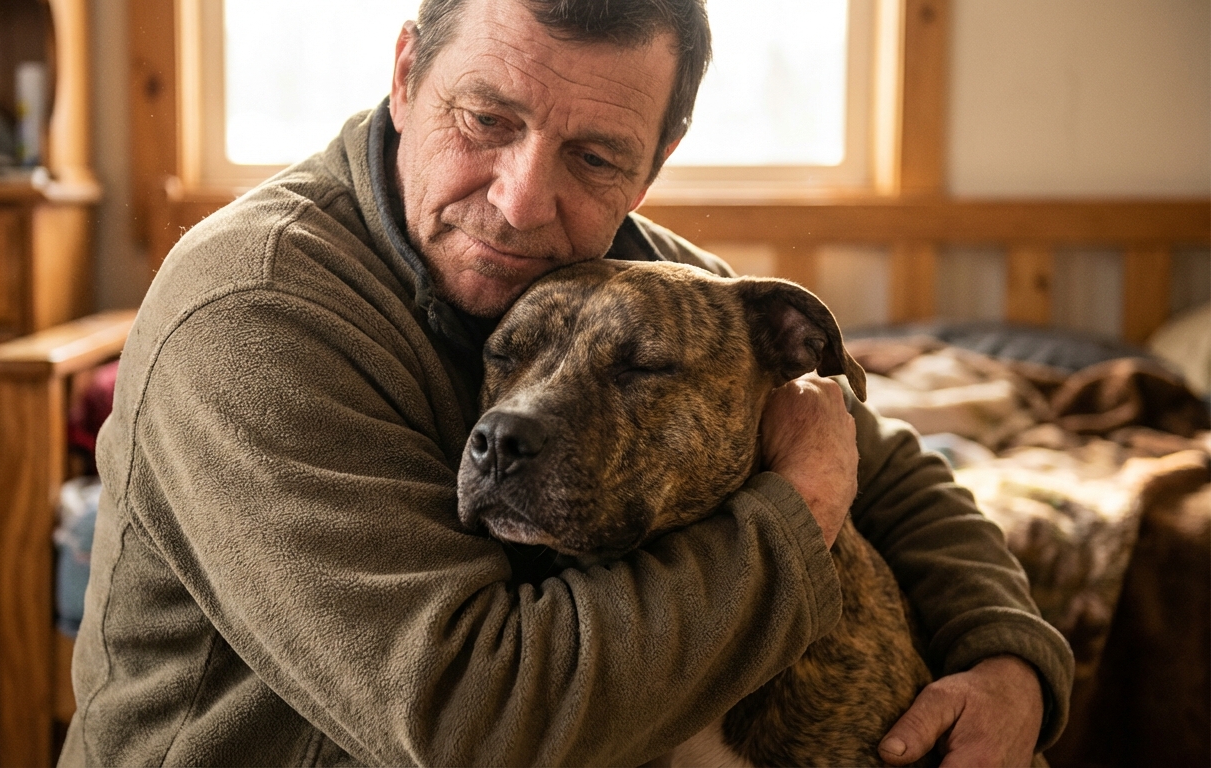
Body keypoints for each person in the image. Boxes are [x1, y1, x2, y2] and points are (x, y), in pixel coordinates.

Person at [59, 0, 1073, 765]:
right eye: (485, 119)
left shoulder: (635, 271)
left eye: (592, 156)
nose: (521, 200)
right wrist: (798, 508)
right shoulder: (254, 310)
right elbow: (469, 721)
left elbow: (880, 465)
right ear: (406, 75)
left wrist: (1007, 659)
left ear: (655, 161)